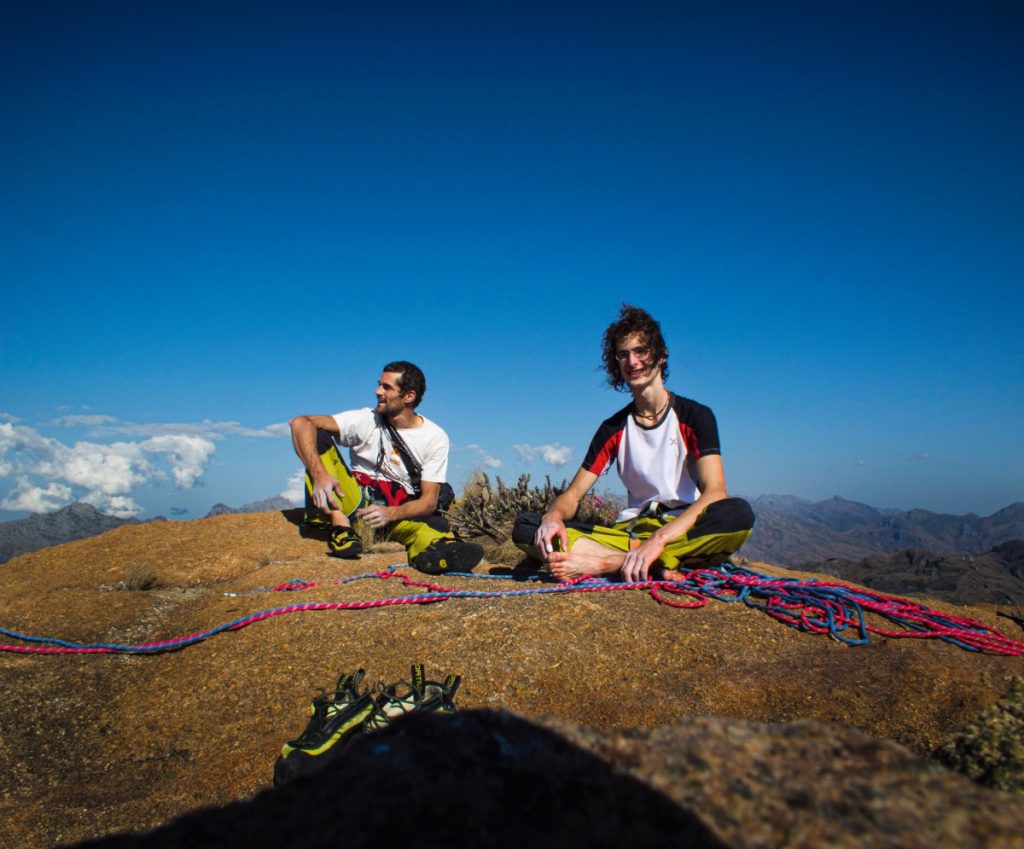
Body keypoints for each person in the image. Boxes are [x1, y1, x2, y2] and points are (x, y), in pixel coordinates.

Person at [513, 305, 754, 582]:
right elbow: (572, 496)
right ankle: (655, 563)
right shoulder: (613, 428)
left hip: (680, 528)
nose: (632, 362)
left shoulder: (695, 416)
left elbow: (715, 492)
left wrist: (660, 539)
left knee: (737, 515)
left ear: (661, 356)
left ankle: (610, 562)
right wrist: (553, 517)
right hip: (630, 534)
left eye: (641, 351)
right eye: (623, 355)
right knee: (526, 527)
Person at [290, 360, 483, 575]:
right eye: (379, 384)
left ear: (408, 396)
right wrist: (320, 474)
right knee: (317, 435)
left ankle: (436, 556)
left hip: (393, 512)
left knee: (436, 531)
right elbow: (300, 423)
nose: (377, 391)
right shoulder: (366, 420)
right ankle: (339, 524)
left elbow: (428, 502)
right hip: (352, 500)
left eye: (386, 387)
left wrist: (390, 513)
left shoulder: (435, 437)